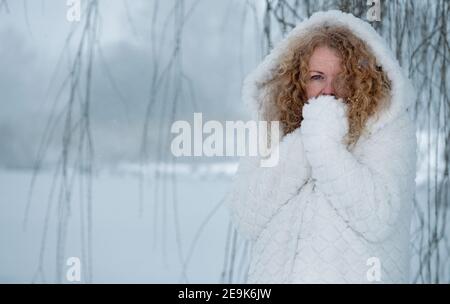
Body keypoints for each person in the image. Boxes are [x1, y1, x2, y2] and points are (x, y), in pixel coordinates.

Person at [224, 10, 417, 283]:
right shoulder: (275, 130)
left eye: (344, 77)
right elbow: (246, 215)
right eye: (317, 76)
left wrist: (324, 145)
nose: (329, 90)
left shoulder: (387, 127)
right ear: (298, 80)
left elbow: (378, 216)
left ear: (362, 80)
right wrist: (307, 140)